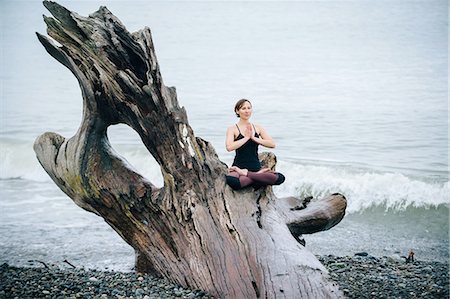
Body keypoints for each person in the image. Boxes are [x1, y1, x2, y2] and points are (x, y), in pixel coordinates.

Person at [225, 99, 285, 190]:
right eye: (243, 108)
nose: (247, 111)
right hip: (238, 167)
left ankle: (250, 175)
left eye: (249, 108)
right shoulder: (232, 129)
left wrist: (254, 138)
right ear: (237, 111)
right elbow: (229, 147)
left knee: (280, 178)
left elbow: (272, 144)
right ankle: (258, 177)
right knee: (233, 181)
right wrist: (246, 138)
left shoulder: (257, 128)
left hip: (256, 168)